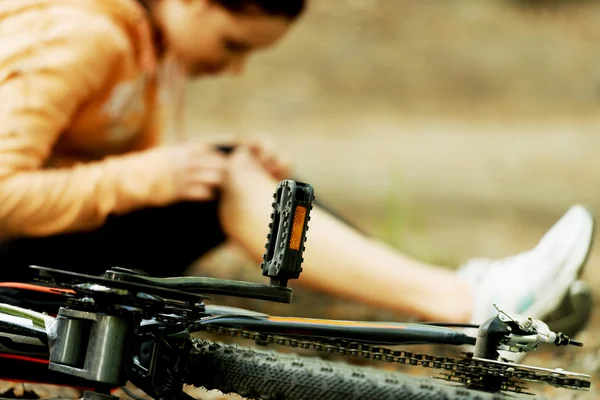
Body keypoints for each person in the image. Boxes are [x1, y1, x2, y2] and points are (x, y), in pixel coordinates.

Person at [0, 0, 594, 330]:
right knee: (225, 177)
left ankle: (458, 299)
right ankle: (466, 301)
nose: (234, 69)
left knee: (228, 169)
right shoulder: (82, 34)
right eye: (234, 44)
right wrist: (141, 179)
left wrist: (182, 167)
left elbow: (92, 165)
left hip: (46, 248)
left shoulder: (147, 43)